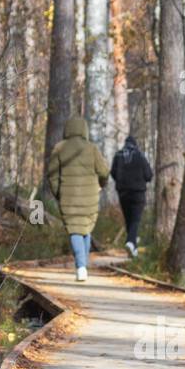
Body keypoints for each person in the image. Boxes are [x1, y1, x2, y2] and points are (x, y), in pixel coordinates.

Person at [47, 116, 109, 281]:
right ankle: (83, 265)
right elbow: (103, 172)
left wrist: (58, 193)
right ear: (84, 130)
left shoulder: (59, 149)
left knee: (75, 229)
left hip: (68, 198)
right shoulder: (92, 148)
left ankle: (81, 266)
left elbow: (52, 175)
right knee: (85, 229)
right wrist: (102, 184)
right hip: (90, 197)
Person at [110, 136, 153, 257]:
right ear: (135, 144)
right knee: (135, 220)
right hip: (137, 193)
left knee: (129, 219)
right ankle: (130, 242)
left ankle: (132, 249)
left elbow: (113, 172)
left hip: (123, 193)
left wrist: (121, 182)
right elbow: (149, 175)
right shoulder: (140, 155)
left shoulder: (118, 155)